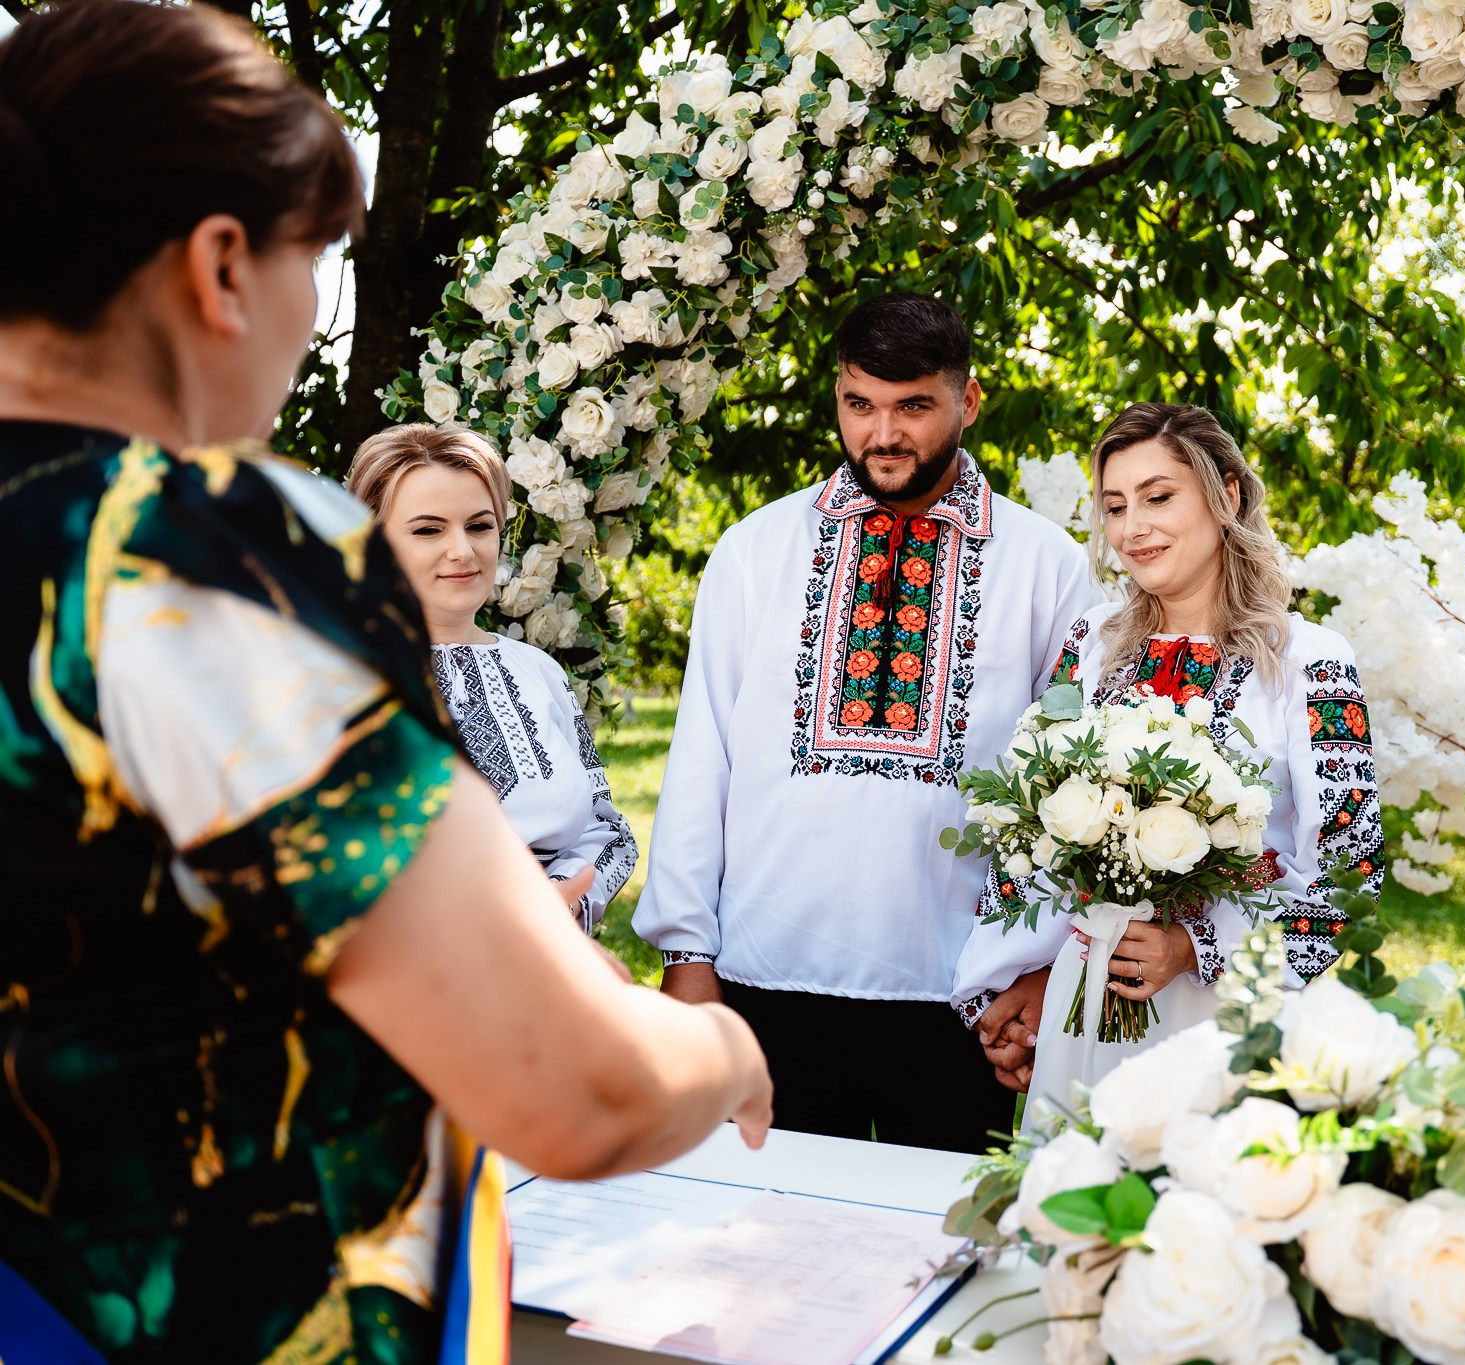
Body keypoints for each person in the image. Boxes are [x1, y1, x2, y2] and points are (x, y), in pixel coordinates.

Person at [0, 4, 771, 1360]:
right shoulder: (195, 553)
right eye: (325, 265)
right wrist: (715, 1055)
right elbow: (569, 1086)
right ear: (223, 265)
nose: (313, 323)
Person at [633, 293, 1098, 1152]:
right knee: (767, 1250)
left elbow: (1072, 782)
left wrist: (1035, 965)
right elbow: (703, 759)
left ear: (969, 400)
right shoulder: (755, 550)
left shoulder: (1048, 566)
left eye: (913, 406)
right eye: (860, 405)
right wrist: (686, 958)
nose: (883, 433)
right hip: (763, 976)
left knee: (945, 1252)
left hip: (964, 986)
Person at [951, 403, 1386, 1112]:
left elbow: (1350, 874)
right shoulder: (1089, 644)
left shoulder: (1309, 663)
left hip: (1227, 1021)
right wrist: (1017, 980)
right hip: (1085, 1001)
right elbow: (1028, 831)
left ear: (1227, 495)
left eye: (1158, 497)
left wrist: (1192, 947)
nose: (1133, 528)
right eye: (1116, 506)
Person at [346, 424, 637, 936]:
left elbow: (608, 831)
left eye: (479, 526)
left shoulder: (539, 672)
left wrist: (564, 899)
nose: (462, 551)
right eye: (427, 530)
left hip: (550, 972)